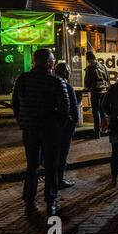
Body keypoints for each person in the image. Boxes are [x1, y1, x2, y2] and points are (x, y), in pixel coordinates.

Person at [12, 48, 69, 217]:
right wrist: (58, 126)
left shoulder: (22, 79)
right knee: (51, 165)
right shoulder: (55, 81)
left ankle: (29, 202)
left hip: (29, 129)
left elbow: (15, 103)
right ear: (48, 62)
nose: (53, 62)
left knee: (32, 166)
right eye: (52, 60)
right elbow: (65, 109)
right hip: (49, 129)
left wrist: (22, 121)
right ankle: (50, 201)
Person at [54, 62, 78, 190]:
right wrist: (73, 123)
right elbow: (73, 108)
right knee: (62, 154)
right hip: (65, 126)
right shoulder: (67, 86)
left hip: (52, 126)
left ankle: (53, 179)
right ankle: (59, 180)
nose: (70, 72)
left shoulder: (50, 85)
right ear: (64, 72)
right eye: (68, 69)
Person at [84, 51, 110, 139]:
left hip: (95, 91)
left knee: (96, 112)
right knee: (103, 110)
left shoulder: (90, 67)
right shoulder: (102, 65)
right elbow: (107, 77)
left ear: (89, 59)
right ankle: (105, 129)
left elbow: (87, 81)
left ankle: (97, 132)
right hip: (104, 91)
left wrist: (87, 87)